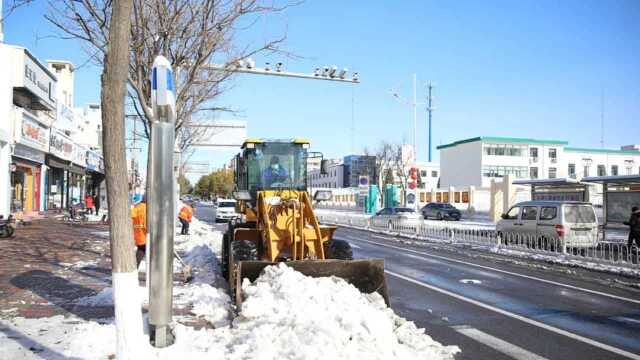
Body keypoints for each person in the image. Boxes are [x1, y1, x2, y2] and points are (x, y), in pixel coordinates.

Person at [131, 196, 147, 267]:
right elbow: (146, 223)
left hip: (138, 235)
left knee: (140, 250)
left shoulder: (136, 208)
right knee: (142, 251)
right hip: (145, 235)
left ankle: (134, 267)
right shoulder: (145, 208)